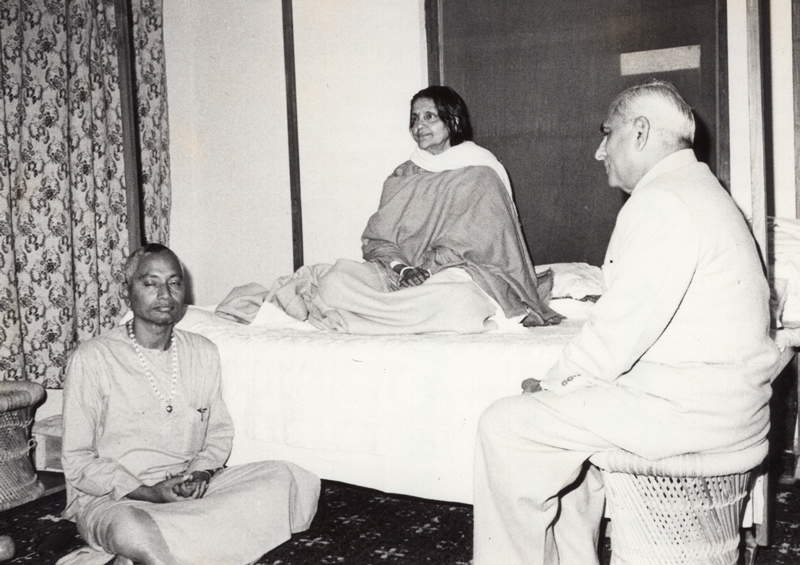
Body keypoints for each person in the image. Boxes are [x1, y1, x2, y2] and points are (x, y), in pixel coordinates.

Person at [472, 79, 782, 564]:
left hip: (689, 413)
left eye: (607, 133)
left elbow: (617, 333)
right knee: (560, 434)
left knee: (506, 427)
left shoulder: (663, 201)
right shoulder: (701, 190)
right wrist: (566, 387)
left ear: (639, 131)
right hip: (722, 403)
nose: (599, 151)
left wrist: (552, 384)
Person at [58, 244, 320, 565]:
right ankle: (172, 542)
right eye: (151, 283)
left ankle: (158, 548)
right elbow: (77, 459)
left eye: (174, 283)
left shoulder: (202, 351)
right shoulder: (93, 358)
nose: (165, 294)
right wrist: (149, 492)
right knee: (131, 527)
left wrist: (199, 476)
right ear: (127, 291)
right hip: (120, 497)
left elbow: (218, 434)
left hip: (190, 490)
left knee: (288, 477)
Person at [268, 85, 561, 333]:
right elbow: (379, 240)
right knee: (334, 282)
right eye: (414, 119)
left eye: (429, 117)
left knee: (457, 301)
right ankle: (394, 317)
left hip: (456, 274)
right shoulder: (404, 174)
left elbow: (479, 245)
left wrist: (426, 270)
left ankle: (358, 318)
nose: (419, 126)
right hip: (399, 275)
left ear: (453, 121)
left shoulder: (481, 173)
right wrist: (404, 268)